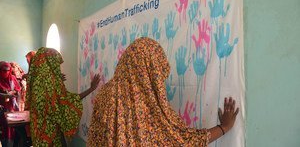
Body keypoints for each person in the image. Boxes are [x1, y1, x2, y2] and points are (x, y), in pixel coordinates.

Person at [88, 37, 239, 146]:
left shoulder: (105, 93)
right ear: (151, 71)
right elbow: (180, 141)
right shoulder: (147, 106)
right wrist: (223, 127)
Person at [26, 47, 101, 146]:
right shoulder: (50, 82)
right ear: (51, 63)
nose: (58, 67)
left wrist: (56, 79)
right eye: (57, 64)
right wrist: (91, 89)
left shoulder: (36, 78)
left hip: (38, 130)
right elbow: (67, 102)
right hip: (49, 133)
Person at [0, 62, 22, 147]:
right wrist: (4, 95)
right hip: (2, 110)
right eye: (3, 71)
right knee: (3, 129)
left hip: (12, 108)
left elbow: (18, 90)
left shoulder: (12, 78)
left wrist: (14, 92)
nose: (6, 72)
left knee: (13, 129)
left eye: (8, 71)